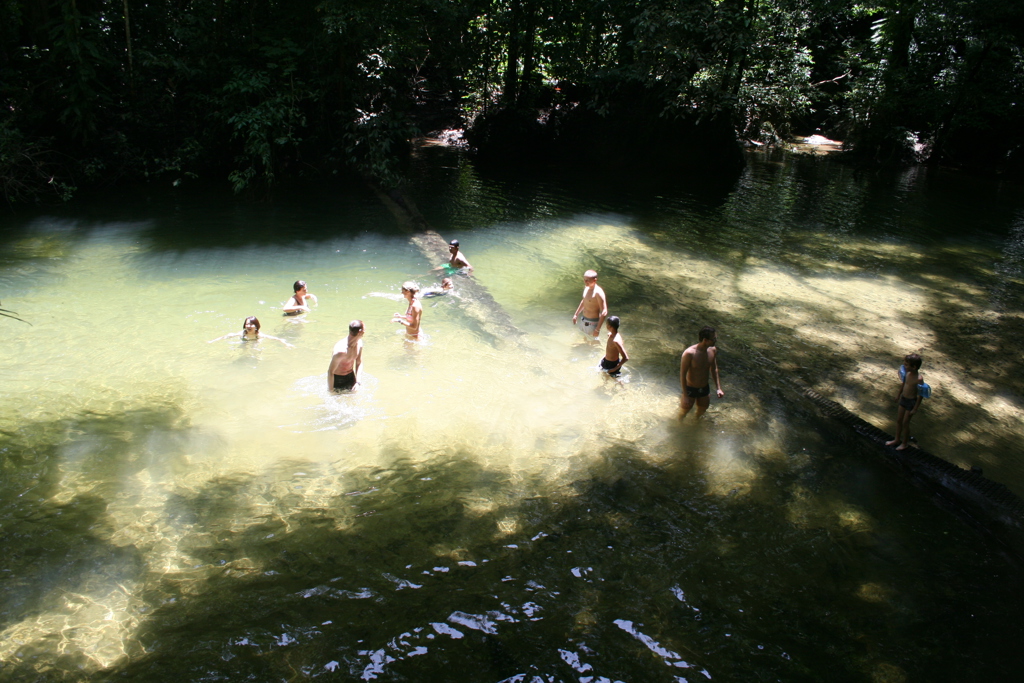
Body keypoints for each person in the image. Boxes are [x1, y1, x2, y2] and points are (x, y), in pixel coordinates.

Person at [680, 326, 724, 418]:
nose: (715, 340)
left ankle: (695, 426)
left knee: (702, 410)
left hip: (704, 388)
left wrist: (718, 388)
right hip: (690, 389)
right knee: (684, 412)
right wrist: (685, 395)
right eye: (714, 339)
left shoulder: (713, 350)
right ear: (705, 340)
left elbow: (714, 369)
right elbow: (682, 375)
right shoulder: (689, 353)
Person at [886, 353, 923, 450]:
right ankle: (897, 439)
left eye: (906, 364)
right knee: (899, 420)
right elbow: (903, 384)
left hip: (911, 402)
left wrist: (915, 408)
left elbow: (921, 395)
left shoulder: (919, 379)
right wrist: (898, 395)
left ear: (914, 367)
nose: (904, 366)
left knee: (905, 423)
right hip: (903, 399)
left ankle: (905, 443)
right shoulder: (907, 373)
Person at [328, 320, 365, 392]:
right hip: (337, 379)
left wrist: (358, 382)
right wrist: (331, 392)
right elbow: (330, 372)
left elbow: (359, 362)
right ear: (360, 332)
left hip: (351, 376)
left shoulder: (359, 343)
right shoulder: (340, 351)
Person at [208, 316, 294, 347]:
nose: (248, 326)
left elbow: (274, 338)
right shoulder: (242, 333)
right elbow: (228, 336)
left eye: (251, 324)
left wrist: (285, 343)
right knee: (243, 346)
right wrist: (213, 341)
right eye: (247, 324)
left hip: (255, 341)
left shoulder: (259, 335)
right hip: (245, 340)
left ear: (256, 326)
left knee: (256, 348)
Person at [572, 270, 608, 339]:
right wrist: (576, 314)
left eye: (588, 280)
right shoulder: (586, 288)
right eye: (584, 279)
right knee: (584, 340)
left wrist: (597, 329)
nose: (585, 282)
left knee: (593, 343)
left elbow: (604, 312)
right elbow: (584, 301)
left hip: (592, 323)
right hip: (583, 320)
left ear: (595, 280)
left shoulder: (598, 292)